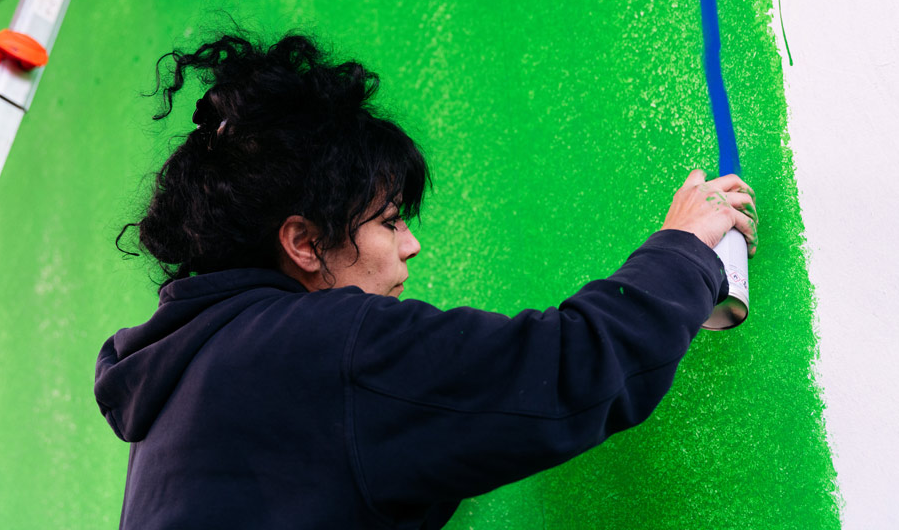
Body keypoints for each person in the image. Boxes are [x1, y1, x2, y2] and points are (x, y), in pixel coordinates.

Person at [95, 32, 758, 530]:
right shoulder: (322, 348)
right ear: (303, 243)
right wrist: (683, 251)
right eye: (388, 222)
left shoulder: (183, 404)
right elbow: (567, 369)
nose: (410, 245)